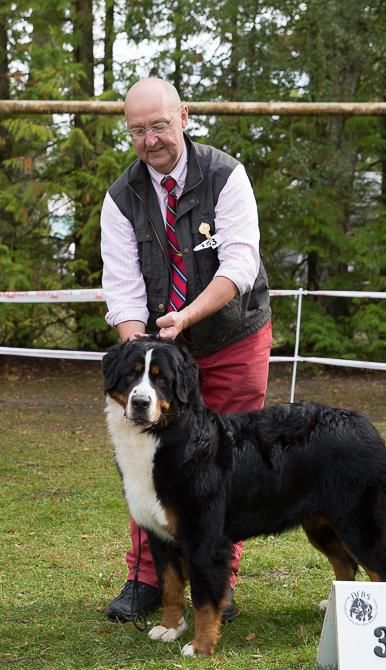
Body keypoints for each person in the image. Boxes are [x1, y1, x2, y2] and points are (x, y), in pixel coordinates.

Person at [100, 77, 272, 624]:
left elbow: (240, 265)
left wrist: (188, 317)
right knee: (146, 456)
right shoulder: (120, 197)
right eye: (137, 130)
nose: (150, 139)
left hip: (231, 336)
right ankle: (147, 578)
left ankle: (214, 580)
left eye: (159, 125)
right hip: (157, 348)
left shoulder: (226, 175)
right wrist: (140, 359)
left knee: (226, 460)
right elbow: (123, 289)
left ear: (184, 117)